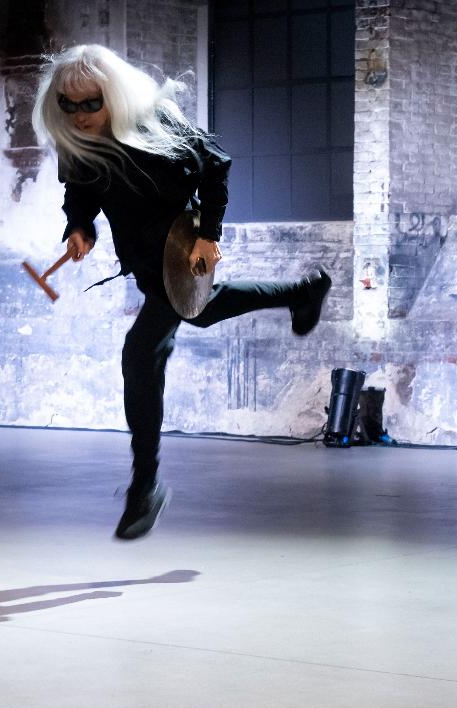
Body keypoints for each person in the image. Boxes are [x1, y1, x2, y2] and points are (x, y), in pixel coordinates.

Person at [31, 44, 331, 540]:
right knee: (201, 313)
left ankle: (144, 486)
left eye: (91, 103)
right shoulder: (78, 142)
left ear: (113, 96)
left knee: (141, 352)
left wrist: (209, 236)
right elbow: (80, 191)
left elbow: (216, 165)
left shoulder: (157, 122)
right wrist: (79, 227)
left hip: (179, 249)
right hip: (144, 262)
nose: (79, 115)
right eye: (69, 104)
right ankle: (302, 292)